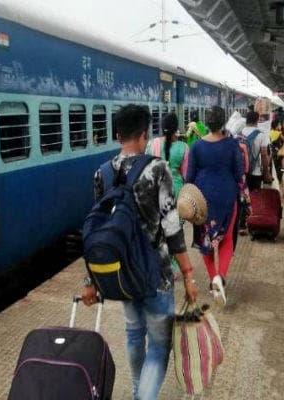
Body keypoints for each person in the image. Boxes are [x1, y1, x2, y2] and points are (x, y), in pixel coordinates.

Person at [82, 104, 198, 400]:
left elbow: (97, 228)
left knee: (134, 334)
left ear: (117, 135)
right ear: (145, 134)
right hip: (156, 274)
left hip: (122, 273)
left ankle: (137, 391)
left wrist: (90, 280)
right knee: (159, 345)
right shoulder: (157, 169)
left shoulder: (102, 173)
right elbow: (171, 227)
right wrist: (188, 273)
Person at [187, 106, 245, 306]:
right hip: (227, 196)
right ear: (223, 123)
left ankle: (213, 279)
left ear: (207, 123)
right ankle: (221, 277)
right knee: (226, 238)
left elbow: (189, 177)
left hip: (202, 198)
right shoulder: (232, 145)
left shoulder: (196, 146)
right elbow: (239, 173)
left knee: (206, 239)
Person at [146, 113, 190, 275]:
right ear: (176, 128)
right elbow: (186, 174)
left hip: (155, 191)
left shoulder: (152, 144)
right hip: (176, 191)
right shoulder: (184, 148)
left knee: (157, 228)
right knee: (175, 229)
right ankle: (173, 266)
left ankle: (157, 263)